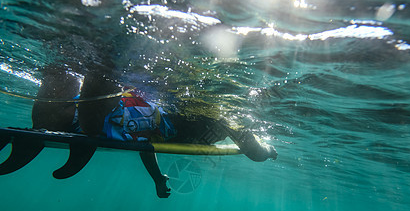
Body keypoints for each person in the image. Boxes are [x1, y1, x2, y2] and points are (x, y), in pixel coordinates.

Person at [32, 66, 277, 197]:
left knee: (75, 117)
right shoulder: (223, 116)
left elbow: (147, 142)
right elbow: (251, 148)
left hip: (136, 115)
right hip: (141, 120)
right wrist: (269, 150)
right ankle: (92, 73)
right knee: (94, 119)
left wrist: (158, 178)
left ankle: (64, 77)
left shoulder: (214, 112)